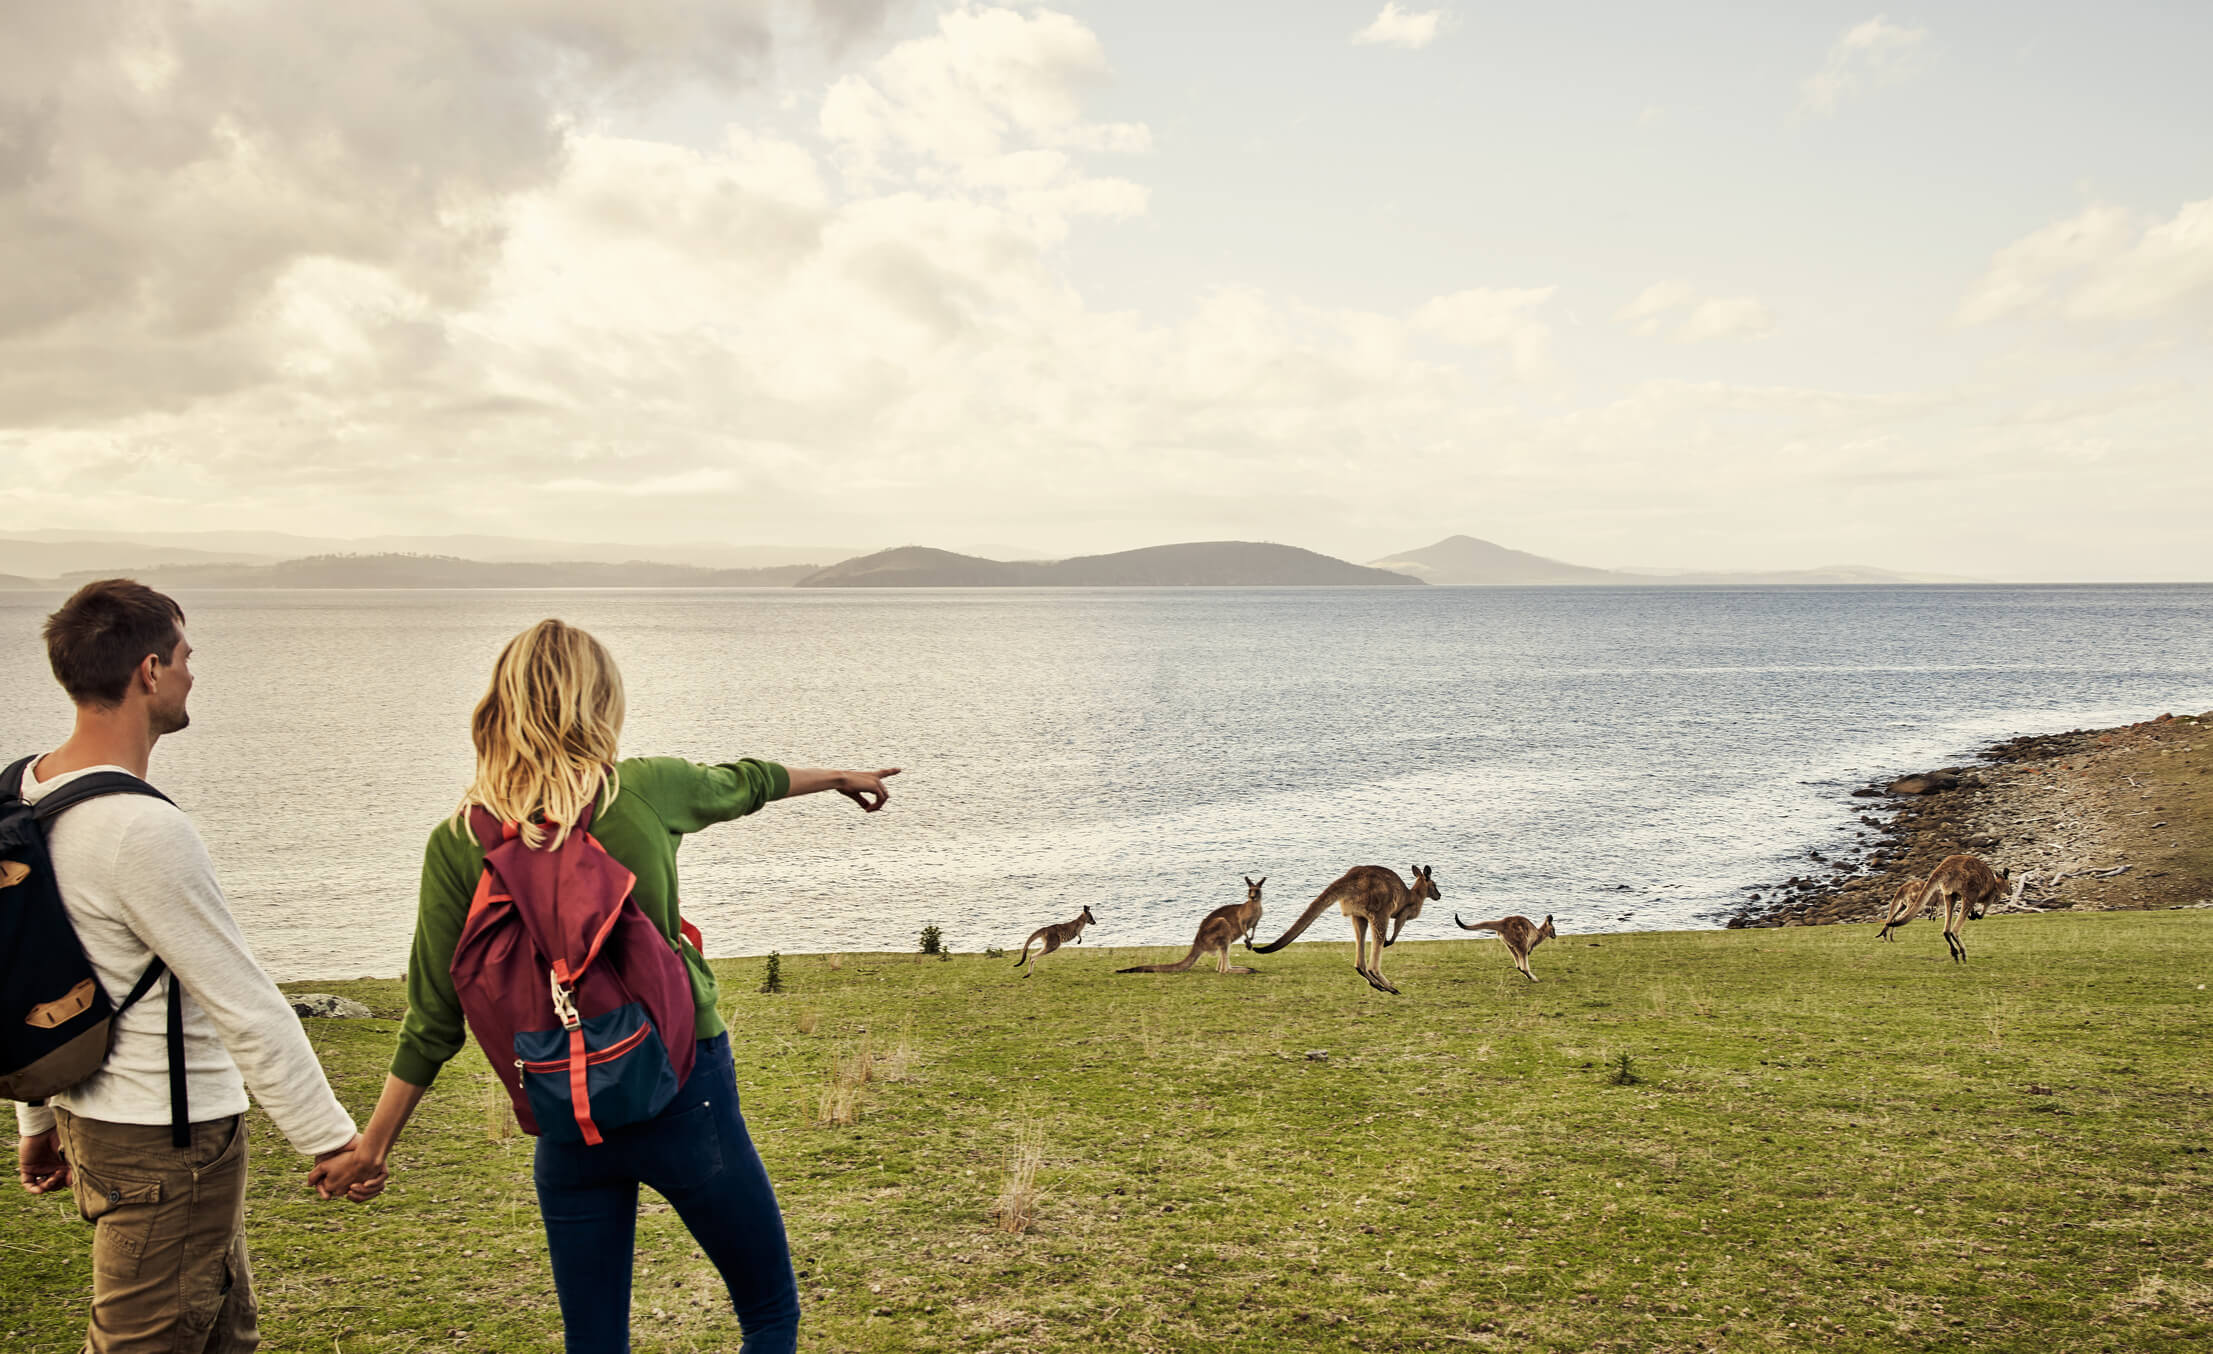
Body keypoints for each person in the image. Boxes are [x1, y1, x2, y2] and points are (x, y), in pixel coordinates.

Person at [317, 618, 898, 1354]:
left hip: (567, 1112)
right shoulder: (646, 790)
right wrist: (840, 776)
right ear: (601, 703)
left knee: (594, 1343)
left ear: (501, 705)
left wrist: (375, 1147)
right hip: (687, 1091)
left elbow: (432, 1019)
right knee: (768, 1314)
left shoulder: (459, 840)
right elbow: (748, 782)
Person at [13, 579, 364, 1353]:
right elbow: (244, 1001)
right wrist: (333, 1142)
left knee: (221, 1336)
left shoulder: (21, 794)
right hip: (167, 1141)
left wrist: (36, 1121)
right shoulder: (140, 829)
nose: (191, 673)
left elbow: (27, 972)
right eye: (184, 656)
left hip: (90, 1121)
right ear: (148, 671)